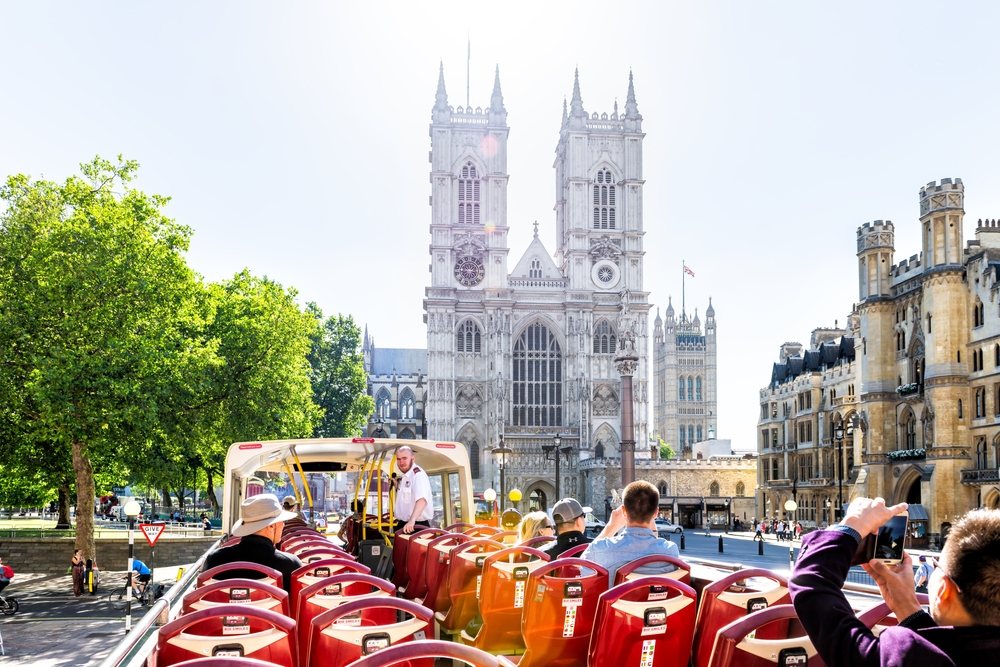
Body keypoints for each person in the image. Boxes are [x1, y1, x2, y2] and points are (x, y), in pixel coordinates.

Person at [791, 499, 1000, 666]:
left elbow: (810, 582)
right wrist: (909, 611)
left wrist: (852, 525)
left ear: (943, 589)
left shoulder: (908, 654)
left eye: (937, 564)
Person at [582, 480, 681, 586]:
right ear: (656, 513)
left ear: (624, 511)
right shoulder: (671, 551)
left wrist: (611, 527)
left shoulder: (599, 549)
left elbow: (578, 568)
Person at [202, 494, 303, 594]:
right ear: (271, 526)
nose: (283, 525)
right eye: (281, 521)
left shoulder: (214, 560)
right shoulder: (290, 565)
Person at [392, 446, 433, 534]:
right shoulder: (406, 476)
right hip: (405, 524)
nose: (401, 462)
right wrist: (397, 486)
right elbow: (408, 493)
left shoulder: (417, 476)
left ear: (413, 458)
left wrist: (412, 520)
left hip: (415, 526)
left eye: (404, 458)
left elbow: (422, 500)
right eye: (398, 459)